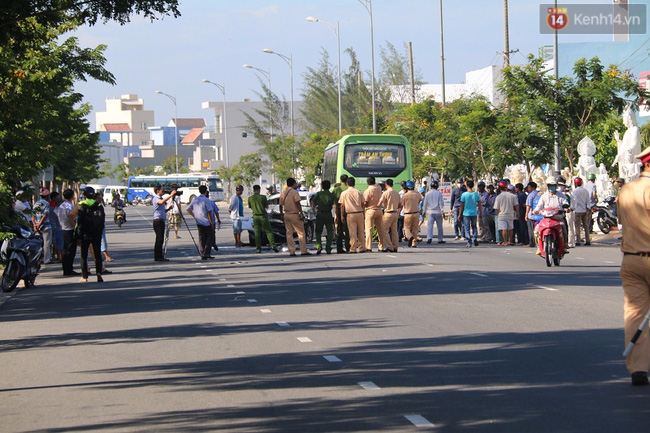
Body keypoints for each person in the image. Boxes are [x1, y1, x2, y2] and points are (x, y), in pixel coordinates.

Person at [617, 145, 650, 385]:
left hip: (631, 259)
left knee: (635, 314)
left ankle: (638, 368)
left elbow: (620, 221)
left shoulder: (626, 190)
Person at [71, 186, 105, 282]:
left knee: (83, 255)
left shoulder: (81, 205)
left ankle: (84, 276)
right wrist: (99, 232)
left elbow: (80, 222)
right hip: (96, 233)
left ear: (84, 195)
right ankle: (99, 274)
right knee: (97, 253)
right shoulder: (99, 206)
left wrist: (78, 235)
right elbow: (102, 221)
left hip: (85, 234)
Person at [534, 176, 569, 255]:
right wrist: (536, 210)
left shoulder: (561, 195)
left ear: (556, 186)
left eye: (552, 185)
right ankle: (539, 246)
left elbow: (565, 203)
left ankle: (564, 245)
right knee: (536, 230)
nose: (551, 187)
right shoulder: (544, 196)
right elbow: (539, 205)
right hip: (546, 218)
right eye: (549, 185)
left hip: (557, 218)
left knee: (563, 227)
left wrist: (566, 208)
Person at [280, 178, 311, 256]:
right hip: (294, 214)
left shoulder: (283, 192)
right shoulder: (295, 192)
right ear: (293, 184)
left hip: (286, 214)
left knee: (289, 233)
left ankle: (291, 251)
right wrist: (301, 212)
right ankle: (303, 250)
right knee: (301, 233)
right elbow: (297, 203)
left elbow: (280, 205)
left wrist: (281, 214)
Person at [187, 185, 215, 260]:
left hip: (199, 221)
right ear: (206, 191)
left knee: (201, 237)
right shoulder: (206, 200)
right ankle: (207, 253)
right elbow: (209, 211)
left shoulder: (195, 199)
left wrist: (195, 215)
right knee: (209, 237)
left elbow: (188, 209)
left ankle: (202, 252)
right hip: (206, 221)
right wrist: (211, 221)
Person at [339, 177, 366, 253]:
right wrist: (364, 213)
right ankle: (361, 247)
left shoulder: (344, 193)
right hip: (359, 213)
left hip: (350, 214)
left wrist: (342, 215)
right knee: (361, 231)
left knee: (352, 232)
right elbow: (363, 203)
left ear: (347, 184)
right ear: (354, 184)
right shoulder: (359, 192)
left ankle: (353, 248)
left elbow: (342, 205)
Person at [249, 184, 278, 253]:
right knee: (268, 231)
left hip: (255, 217)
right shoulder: (263, 197)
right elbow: (267, 206)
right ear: (259, 190)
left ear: (253, 190)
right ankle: (273, 245)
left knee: (257, 233)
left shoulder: (250, 198)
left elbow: (250, 207)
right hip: (263, 216)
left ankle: (258, 248)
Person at [152, 184, 177, 261]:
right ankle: (158, 256)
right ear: (157, 191)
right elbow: (161, 201)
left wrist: (169, 209)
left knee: (161, 238)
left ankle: (160, 256)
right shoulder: (156, 198)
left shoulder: (159, 198)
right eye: (161, 190)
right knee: (159, 239)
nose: (163, 191)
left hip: (161, 220)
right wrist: (171, 195)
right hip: (157, 221)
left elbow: (162, 210)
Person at [311, 180, 336, 254]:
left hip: (320, 214)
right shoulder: (332, 195)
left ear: (322, 186)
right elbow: (334, 206)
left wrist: (314, 211)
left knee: (318, 232)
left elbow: (312, 201)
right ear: (329, 186)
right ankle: (328, 248)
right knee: (330, 232)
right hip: (328, 214)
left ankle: (319, 246)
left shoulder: (319, 194)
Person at [58, 189, 79, 276]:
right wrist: (75, 227)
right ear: (72, 196)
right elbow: (72, 217)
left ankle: (66, 269)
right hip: (69, 229)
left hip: (63, 228)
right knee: (70, 251)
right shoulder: (70, 207)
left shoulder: (61, 206)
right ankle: (69, 269)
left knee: (66, 250)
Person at [493, 180, 518, 246]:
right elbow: (516, 205)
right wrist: (517, 213)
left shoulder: (498, 197)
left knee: (503, 228)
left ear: (500, 188)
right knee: (510, 228)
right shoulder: (512, 196)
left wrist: (498, 214)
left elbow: (496, 208)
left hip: (502, 214)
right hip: (510, 214)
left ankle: (505, 241)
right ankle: (510, 240)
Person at [379, 179, 401, 252]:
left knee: (384, 230)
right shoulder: (396, 193)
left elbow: (380, 202)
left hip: (388, 213)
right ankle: (395, 247)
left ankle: (389, 246)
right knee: (394, 231)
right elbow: (400, 204)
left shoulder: (386, 193)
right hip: (395, 213)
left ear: (386, 185)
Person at [459, 180, 482, 248]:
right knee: (474, 227)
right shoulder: (476, 194)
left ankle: (469, 242)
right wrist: (481, 212)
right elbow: (479, 204)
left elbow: (462, 205)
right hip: (474, 213)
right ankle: (475, 238)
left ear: (467, 186)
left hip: (466, 213)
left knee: (467, 228)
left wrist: (459, 214)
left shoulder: (464, 194)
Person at [399, 180, 422, 247]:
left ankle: (410, 237)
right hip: (416, 213)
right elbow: (420, 200)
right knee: (415, 229)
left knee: (406, 228)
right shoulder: (418, 194)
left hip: (408, 213)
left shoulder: (405, 195)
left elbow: (401, 205)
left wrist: (399, 212)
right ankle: (414, 243)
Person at [32, 189, 53, 264]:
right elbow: (45, 215)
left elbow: (33, 215)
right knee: (47, 243)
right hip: (46, 226)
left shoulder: (36, 203)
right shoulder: (46, 204)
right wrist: (39, 224)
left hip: (37, 227)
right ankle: (46, 259)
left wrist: (34, 225)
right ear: (47, 196)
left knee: (37, 243)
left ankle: (37, 259)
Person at [363, 176, 383, 252]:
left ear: (368, 183)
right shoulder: (379, 188)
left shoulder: (368, 191)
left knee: (369, 229)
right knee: (380, 229)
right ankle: (381, 246)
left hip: (370, 210)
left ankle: (369, 247)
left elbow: (365, 202)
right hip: (379, 210)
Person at [333, 174, 350, 254]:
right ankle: (348, 247)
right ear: (347, 181)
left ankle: (339, 248)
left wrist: (336, 215)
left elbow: (335, 204)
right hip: (348, 211)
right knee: (348, 230)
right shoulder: (349, 188)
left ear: (340, 180)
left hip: (339, 211)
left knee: (339, 230)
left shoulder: (336, 189)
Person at [571, 177, 591, 246]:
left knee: (577, 226)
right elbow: (588, 201)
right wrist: (588, 209)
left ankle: (578, 241)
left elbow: (574, 201)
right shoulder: (585, 191)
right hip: (585, 210)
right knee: (586, 226)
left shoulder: (574, 191)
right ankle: (587, 240)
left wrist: (572, 208)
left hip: (577, 210)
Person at [48, 191, 64, 263]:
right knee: (59, 244)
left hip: (55, 227)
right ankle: (60, 257)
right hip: (58, 227)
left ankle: (58, 256)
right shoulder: (56, 210)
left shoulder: (52, 208)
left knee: (57, 243)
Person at [524, 182, 539, 248]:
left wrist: (526, 215)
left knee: (531, 230)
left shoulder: (531, 195)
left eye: (529, 187)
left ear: (533, 188)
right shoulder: (538, 194)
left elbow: (528, 206)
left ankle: (532, 242)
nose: (528, 189)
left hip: (531, 215)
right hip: (539, 215)